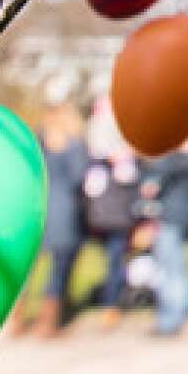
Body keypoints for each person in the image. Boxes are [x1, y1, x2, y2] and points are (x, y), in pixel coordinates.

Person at [140, 117, 188, 337]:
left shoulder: (179, 159)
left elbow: (157, 179)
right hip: (187, 217)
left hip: (172, 216)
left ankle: (170, 318)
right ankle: (177, 312)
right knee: (177, 267)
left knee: (170, 268)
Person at [22, 98, 88, 338]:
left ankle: (16, 319)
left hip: (39, 206)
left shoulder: (39, 141)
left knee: (28, 266)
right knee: (59, 267)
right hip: (64, 209)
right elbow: (80, 177)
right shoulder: (74, 144)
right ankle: (47, 323)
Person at [83, 95, 142, 327]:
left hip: (108, 216)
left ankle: (111, 303)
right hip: (112, 216)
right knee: (115, 260)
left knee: (115, 260)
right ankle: (111, 302)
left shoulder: (106, 164)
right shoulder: (108, 163)